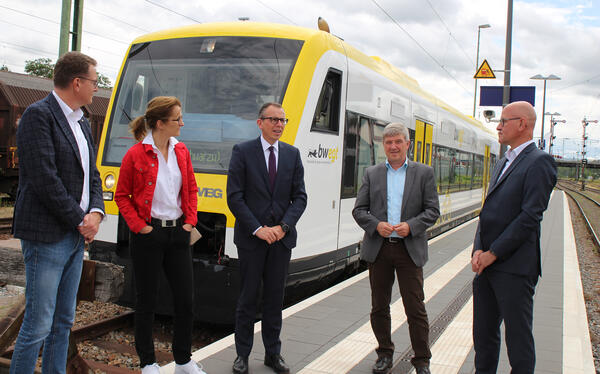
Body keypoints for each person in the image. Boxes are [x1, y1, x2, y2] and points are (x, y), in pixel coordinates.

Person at [10, 51, 105, 374]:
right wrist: (81, 220)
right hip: (48, 236)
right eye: (93, 81)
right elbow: (43, 178)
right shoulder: (40, 116)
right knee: (38, 323)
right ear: (76, 82)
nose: (96, 87)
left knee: (63, 321)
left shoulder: (81, 120)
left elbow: (92, 174)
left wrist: (96, 212)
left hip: (75, 236)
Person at [114, 96, 206, 374]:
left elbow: (191, 189)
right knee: (146, 301)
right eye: (177, 118)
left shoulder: (182, 151)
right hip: (148, 235)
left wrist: (189, 223)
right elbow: (122, 196)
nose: (181, 123)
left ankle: (183, 360)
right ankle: (148, 363)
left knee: (185, 301)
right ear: (160, 123)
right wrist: (140, 227)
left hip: (178, 233)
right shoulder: (135, 154)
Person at [471, 101, 557, 373]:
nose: (498, 126)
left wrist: (492, 253)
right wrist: (477, 250)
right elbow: (489, 211)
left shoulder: (539, 162)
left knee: (518, 342)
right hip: (486, 267)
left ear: (522, 124)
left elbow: (529, 218)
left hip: (514, 269)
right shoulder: (503, 162)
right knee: (484, 338)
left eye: (504, 120)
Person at [227, 102, 307, 374]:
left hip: (281, 241)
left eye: (283, 120)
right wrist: (258, 228)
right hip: (252, 240)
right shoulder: (243, 152)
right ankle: (242, 356)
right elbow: (234, 197)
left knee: (275, 300)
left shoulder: (292, 155)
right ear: (259, 122)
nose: (279, 125)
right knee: (247, 299)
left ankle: (273, 354)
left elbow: (300, 198)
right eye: (273, 120)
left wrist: (283, 227)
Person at [353, 123, 439, 374]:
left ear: (407, 144)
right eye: (389, 142)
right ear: (384, 145)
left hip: (408, 249)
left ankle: (422, 360)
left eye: (398, 142)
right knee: (379, 306)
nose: (393, 146)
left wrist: (411, 226)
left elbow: (432, 211)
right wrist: (376, 225)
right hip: (379, 250)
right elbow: (359, 210)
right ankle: (384, 353)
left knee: (415, 307)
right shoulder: (372, 173)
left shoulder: (424, 173)